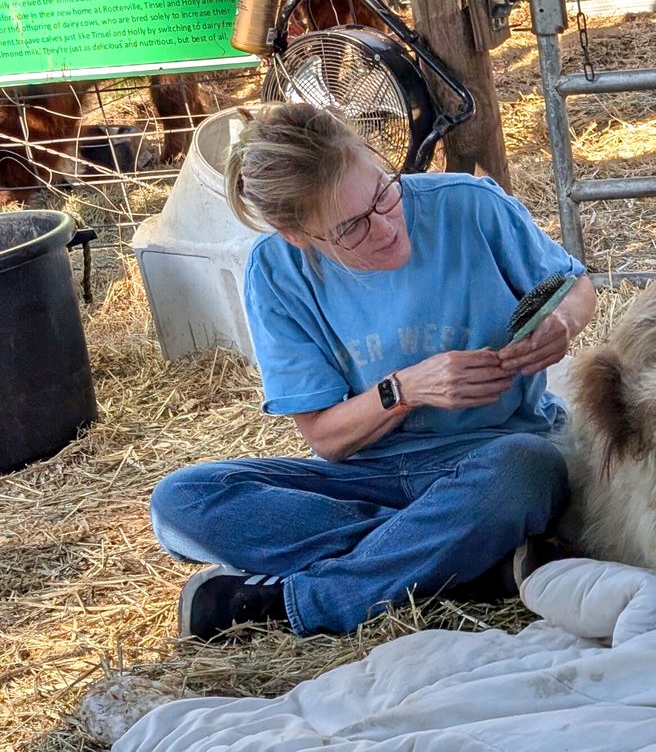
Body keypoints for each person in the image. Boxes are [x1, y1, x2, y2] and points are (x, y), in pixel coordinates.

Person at [149, 103, 596, 641]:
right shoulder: (274, 270)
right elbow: (328, 440)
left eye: (384, 192)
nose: (386, 226)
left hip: (496, 455)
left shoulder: (470, 205)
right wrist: (406, 390)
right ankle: (468, 562)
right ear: (297, 233)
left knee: (530, 468)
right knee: (181, 502)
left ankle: (303, 601)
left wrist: (563, 323)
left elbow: (574, 286)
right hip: (367, 477)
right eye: (352, 228)